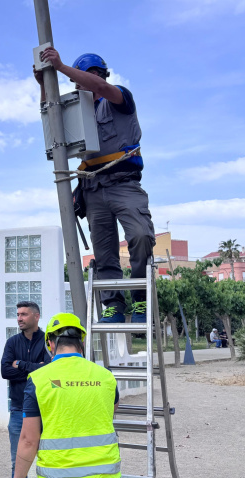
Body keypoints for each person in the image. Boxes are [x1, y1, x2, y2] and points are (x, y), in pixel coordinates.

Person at [36, 47, 155, 325]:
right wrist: (44, 85)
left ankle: (140, 298)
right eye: (79, 80)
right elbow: (52, 126)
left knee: (140, 235)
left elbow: (101, 88)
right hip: (93, 187)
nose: (81, 85)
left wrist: (61, 67)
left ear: (99, 75)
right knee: (104, 252)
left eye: (86, 77)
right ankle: (113, 305)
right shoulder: (78, 112)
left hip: (124, 183)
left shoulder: (119, 98)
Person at [12, 313, 121, 478]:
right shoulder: (106, 376)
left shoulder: (39, 380)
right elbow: (110, 409)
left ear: (50, 344)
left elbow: (29, 441)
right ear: (82, 342)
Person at [1, 301, 51, 478]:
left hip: (47, 409)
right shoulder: (12, 342)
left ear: (36, 316)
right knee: (19, 461)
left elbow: (50, 371)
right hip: (18, 409)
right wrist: (36, 368)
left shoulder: (48, 341)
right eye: (18, 314)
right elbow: (5, 371)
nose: (19, 318)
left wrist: (20, 364)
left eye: (24, 314)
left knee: (50, 458)